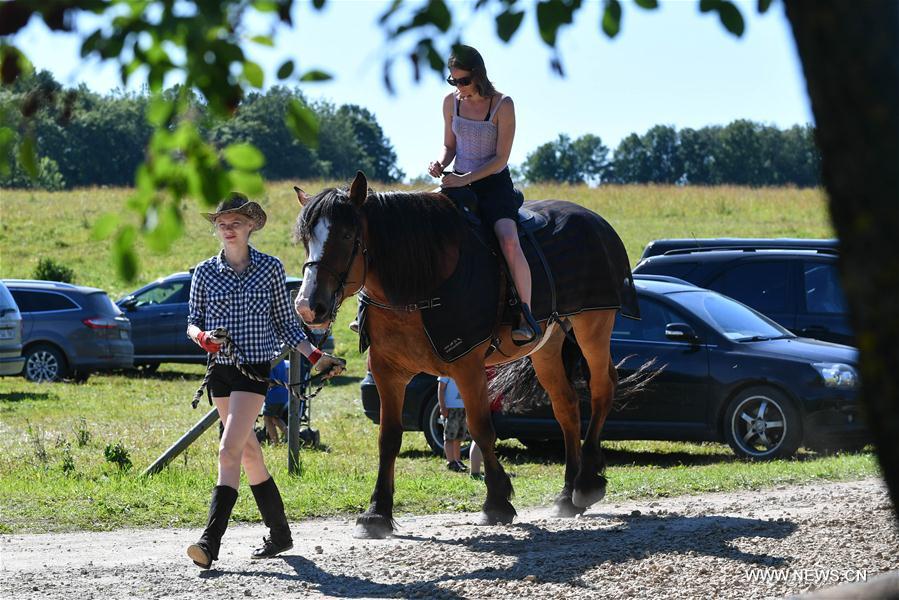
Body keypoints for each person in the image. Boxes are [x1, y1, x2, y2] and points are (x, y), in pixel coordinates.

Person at [185, 192, 345, 570]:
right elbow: (192, 320)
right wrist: (202, 338)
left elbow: (288, 325)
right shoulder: (204, 272)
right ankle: (280, 533)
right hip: (219, 372)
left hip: (253, 372)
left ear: (251, 225)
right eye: (222, 223)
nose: (228, 229)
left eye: (236, 222)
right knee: (249, 452)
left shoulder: (271, 269)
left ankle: (209, 542)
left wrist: (316, 357)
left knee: (228, 450)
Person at [428, 45, 540, 345]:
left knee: (508, 238)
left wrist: (466, 179)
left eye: (463, 81)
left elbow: (501, 159)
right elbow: (449, 145)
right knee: (420, 223)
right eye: (453, 81)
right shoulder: (450, 103)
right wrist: (440, 161)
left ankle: (525, 314)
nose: (458, 88)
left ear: (478, 75)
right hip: (456, 181)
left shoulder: (503, 105)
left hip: (493, 184)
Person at [437, 376, 467, 472]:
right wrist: (442, 407)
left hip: (462, 407)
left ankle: (457, 460)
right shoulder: (446, 372)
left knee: (458, 437)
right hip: (451, 408)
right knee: (450, 436)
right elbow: (441, 389)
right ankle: (450, 461)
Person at [262, 360, 289, 444]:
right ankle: (291, 437)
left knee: (267, 418)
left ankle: (275, 442)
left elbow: (271, 382)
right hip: (284, 393)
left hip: (273, 395)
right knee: (275, 417)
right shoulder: (280, 361)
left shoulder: (270, 362)